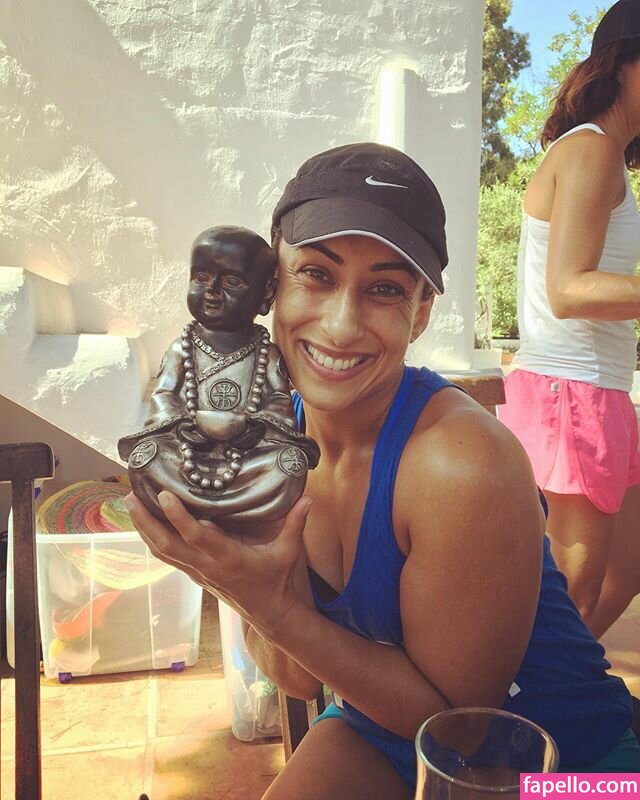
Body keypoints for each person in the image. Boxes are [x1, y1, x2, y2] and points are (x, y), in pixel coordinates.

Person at [125, 142, 640, 798]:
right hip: (381, 723)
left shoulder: (461, 464)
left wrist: (264, 601)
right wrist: (247, 580)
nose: (341, 326)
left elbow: (460, 733)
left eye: (385, 289)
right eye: (317, 274)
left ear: (419, 314)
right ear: (272, 284)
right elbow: (298, 676)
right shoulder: (268, 445)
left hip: (567, 767)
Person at [498, 0, 640, 639]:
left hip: (595, 391)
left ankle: (565, 681)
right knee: (570, 597)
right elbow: (570, 289)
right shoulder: (593, 150)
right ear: (625, 65)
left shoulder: (602, 154)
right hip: (573, 393)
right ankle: (529, 697)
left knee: (625, 567)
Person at [118, 226, 319, 535]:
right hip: (189, 450)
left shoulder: (267, 354)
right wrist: (181, 425)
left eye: (231, 282)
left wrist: (256, 428)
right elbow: (164, 394)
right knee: (147, 458)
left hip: (246, 454)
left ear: (266, 293)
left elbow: (279, 401)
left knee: (289, 465)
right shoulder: (181, 348)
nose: (211, 291)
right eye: (201, 278)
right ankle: (203, 506)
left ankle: (233, 511)